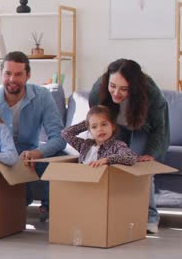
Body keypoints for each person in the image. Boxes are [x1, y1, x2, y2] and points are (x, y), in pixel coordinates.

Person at [89, 58, 170, 234]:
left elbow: (159, 128)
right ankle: (119, 214)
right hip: (116, 126)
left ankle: (150, 218)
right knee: (114, 163)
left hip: (145, 127)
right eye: (113, 86)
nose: (116, 93)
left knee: (140, 165)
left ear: (134, 87)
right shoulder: (98, 91)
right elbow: (96, 121)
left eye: (124, 89)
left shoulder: (151, 94)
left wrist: (151, 153)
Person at [0, 52, 66, 221]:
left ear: (28, 75)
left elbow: (59, 137)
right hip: (1, 156)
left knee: (60, 159)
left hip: (31, 154)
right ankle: (16, 204)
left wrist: (38, 153)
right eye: (8, 74)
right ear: (1, 74)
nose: (12, 79)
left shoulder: (42, 96)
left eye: (18, 74)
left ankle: (48, 210)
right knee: (21, 196)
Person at [62, 105, 138, 167]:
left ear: (113, 126)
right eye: (94, 127)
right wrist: (89, 122)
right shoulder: (84, 145)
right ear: (89, 130)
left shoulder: (117, 145)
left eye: (104, 124)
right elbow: (66, 133)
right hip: (83, 182)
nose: (100, 129)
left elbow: (131, 157)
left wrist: (107, 160)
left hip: (102, 183)